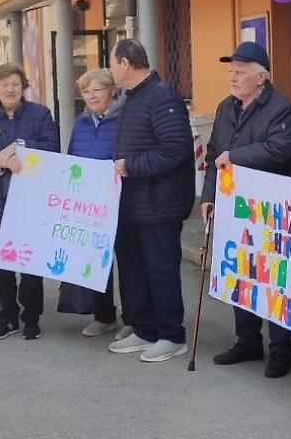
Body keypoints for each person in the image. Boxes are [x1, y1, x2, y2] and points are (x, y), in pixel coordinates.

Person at [201, 42, 291, 378]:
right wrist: (208, 196)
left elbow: (281, 151)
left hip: (269, 209)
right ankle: (247, 341)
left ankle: (280, 350)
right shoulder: (225, 108)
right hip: (233, 204)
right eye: (231, 70)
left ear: (261, 77)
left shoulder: (281, 108)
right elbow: (214, 152)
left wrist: (236, 157)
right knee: (241, 272)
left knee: (271, 277)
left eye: (240, 71)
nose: (233, 76)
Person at [109, 39, 195, 363]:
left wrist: (130, 166)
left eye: (113, 62)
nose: (111, 69)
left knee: (160, 269)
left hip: (160, 203)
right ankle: (144, 329)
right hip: (133, 203)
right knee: (134, 268)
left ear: (126, 64)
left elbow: (175, 149)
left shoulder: (161, 97)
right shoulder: (133, 98)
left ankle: (172, 335)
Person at [0, 63, 59, 340]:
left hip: (30, 201)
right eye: (4, 84)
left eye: (15, 84)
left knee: (30, 265)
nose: (10, 89)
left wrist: (21, 148)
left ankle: (31, 317)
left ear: (23, 87)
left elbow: (52, 146)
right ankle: (8, 315)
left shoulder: (40, 114)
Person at [67, 69, 126, 339]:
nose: (91, 96)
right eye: (85, 91)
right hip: (90, 205)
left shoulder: (124, 119)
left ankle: (135, 319)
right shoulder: (81, 124)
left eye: (97, 90)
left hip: (121, 200)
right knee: (96, 261)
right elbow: (71, 159)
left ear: (112, 91)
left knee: (127, 262)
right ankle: (104, 316)